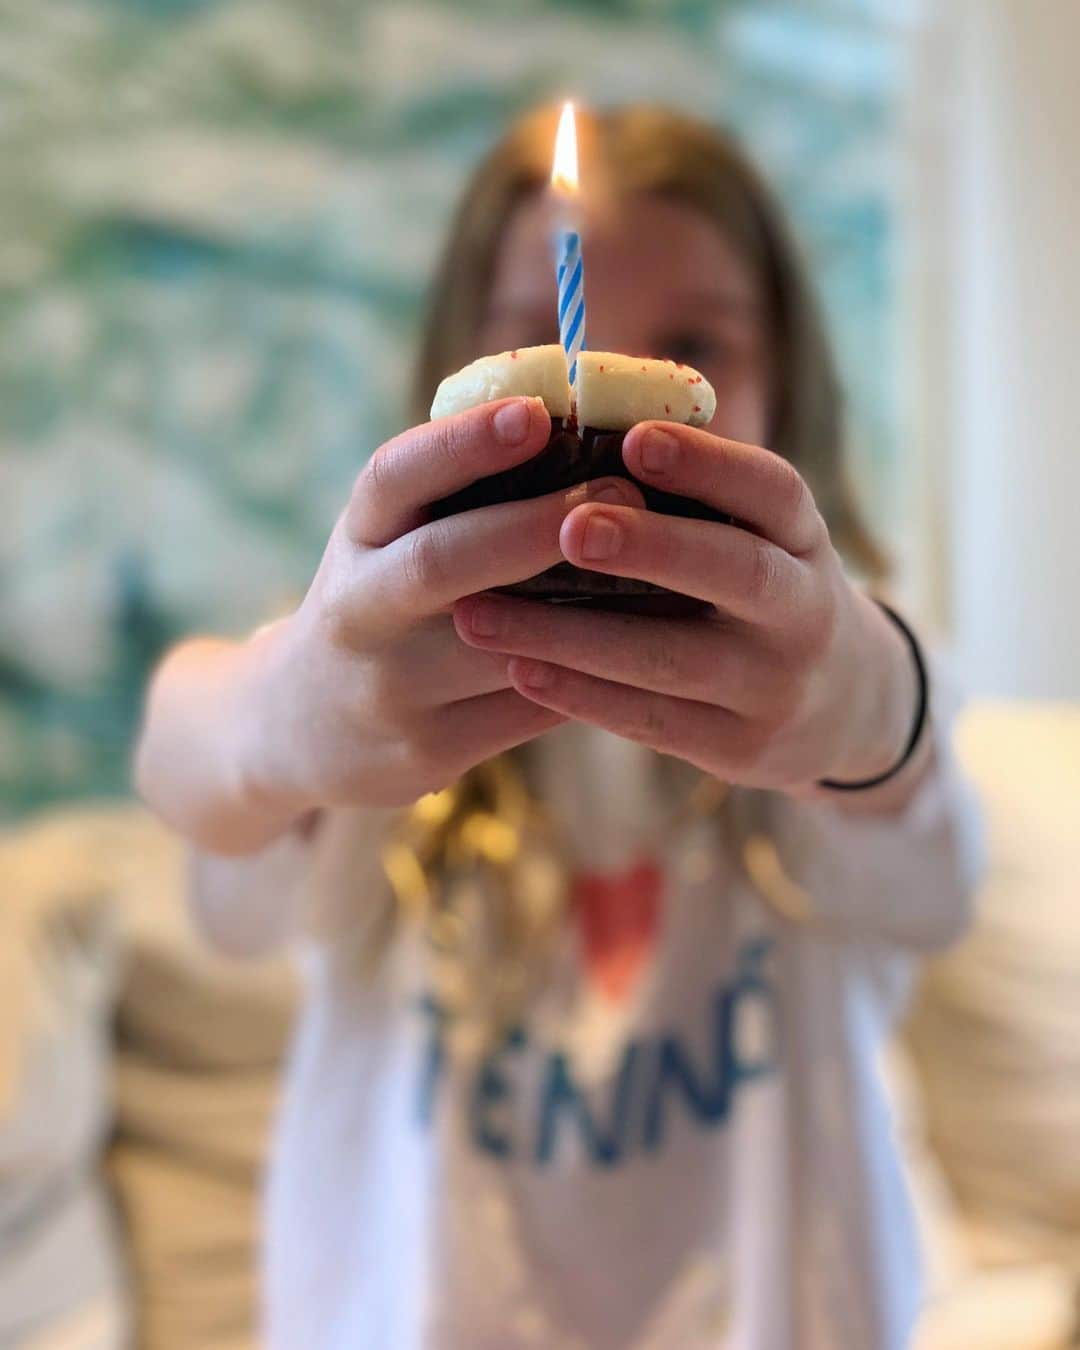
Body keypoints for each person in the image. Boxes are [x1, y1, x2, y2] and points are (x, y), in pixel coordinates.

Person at [135, 104, 982, 1349]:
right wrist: (280, 721)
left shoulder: (830, 680)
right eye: (546, 338)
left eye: (695, 345)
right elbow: (189, 768)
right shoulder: (377, 690)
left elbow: (934, 864)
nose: (616, 420)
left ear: (786, 382)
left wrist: (863, 699)